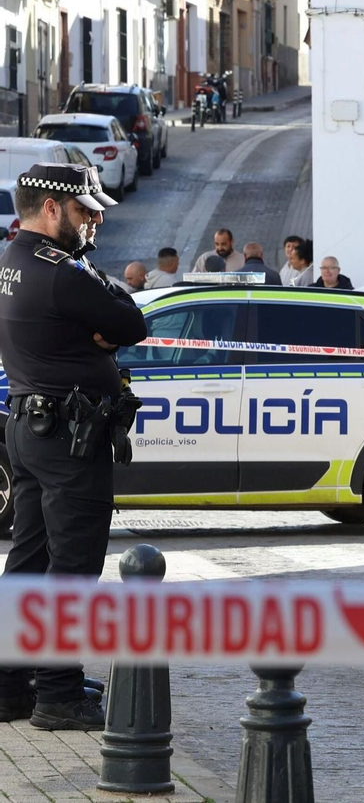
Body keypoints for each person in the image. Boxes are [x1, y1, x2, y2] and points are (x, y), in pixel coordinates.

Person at [0, 163, 147, 731]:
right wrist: (95, 282)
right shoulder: (63, 272)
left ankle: (12, 684)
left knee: (28, 561)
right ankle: (59, 693)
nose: (97, 220)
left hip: (30, 428)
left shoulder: (10, 261)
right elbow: (130, 321)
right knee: (74, 567)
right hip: (68, 436)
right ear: (53, 209)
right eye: (87, 211)